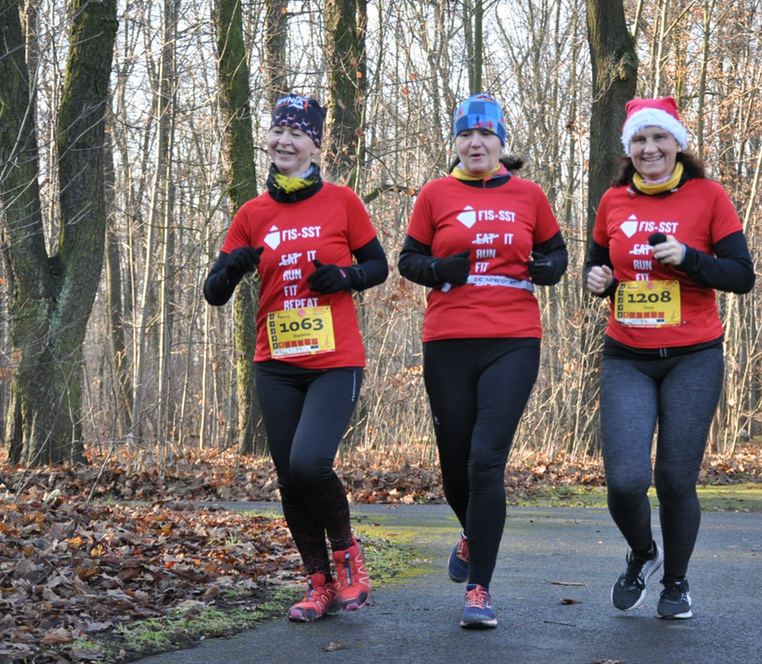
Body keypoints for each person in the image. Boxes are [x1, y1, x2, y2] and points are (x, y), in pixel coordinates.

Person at [203, 94, 388, 622]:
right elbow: (214, 293)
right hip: (276, 363)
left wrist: (345, 276)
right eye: (278, 131)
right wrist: (231, 268)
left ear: (314, 145)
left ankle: (349, 559)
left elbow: (378, 266)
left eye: (296, 133)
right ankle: (317, 582)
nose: (284, 141)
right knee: (289, 476)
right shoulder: (252, 213)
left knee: (310, 463)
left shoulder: (342, 202)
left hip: (334, 360)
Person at [397, 93, 567, 629]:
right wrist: (438, 268)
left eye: (486, 135)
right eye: (466, 135)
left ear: (500, 142)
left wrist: (548, 269)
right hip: (448, 340)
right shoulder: (435, 194)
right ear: (456, 143)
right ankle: (472, 532)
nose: (476, 144)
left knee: (485, 461)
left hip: (513, 339)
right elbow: (407, 260)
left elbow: (558, 254)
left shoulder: (529, 195)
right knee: (454, 466)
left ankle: (479, 589)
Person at [583, 97, 755, 620]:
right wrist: (597, 281)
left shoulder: (708, 196)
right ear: (628, 149)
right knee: (625, 482)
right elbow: (597, 265)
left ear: (678, 143)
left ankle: (676, 582)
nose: (650, 148)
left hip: (693, 356)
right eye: (639, 139)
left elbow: (741, 275)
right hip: (627, 357)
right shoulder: (613, 201)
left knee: (676, 480)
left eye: (659, 137)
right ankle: (642, 552)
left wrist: (689, 259)